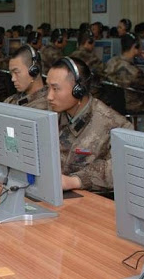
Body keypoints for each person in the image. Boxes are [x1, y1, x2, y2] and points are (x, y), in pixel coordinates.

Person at [46, 57, 132, 193]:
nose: (49, 96)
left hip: (90, 199)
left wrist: (76, 181)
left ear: (78, 90)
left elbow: (123, 167)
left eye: (55, 89)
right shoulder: (49, 115)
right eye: (48, 88)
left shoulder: (115, 125)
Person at [102, 32, 144, 112]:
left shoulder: (111, 62)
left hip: (116, 104)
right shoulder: (134, 71)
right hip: (134, 104)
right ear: (135, 47)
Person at [3, 45, 48, 109]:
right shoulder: (14, 99)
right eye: (11, 74)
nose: (13, 79)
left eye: (16, 72)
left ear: (34, 71)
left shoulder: (44, 106)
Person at [70, 29, 104, 96]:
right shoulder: (92, 58)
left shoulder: (72, 56)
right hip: (89, 92)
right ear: (89, 42)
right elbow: (104, 72)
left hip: (74, 90)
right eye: (93, 42)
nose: (94, 45)